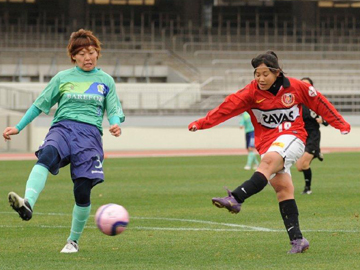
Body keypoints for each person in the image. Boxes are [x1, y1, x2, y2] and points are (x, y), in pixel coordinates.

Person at [188, 51, 350, 254]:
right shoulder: (250, 93)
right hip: (267, 143)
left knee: (267, 162)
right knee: (283, 189)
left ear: (277, 72)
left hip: (294, 137)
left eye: (265, 74)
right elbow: (225, 109)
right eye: (257, 74)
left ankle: (236, 198)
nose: (260, 78)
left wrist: (341, 124)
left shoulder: (296, 87)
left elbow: (320, 103)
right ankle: (298, 240)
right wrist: (201, 123)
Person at [2, 29, 125, 253]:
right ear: (73, 57)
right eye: (82, 53)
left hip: (90, 136)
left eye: (91, 52)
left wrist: (115, 124)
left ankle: (73, 241)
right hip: (63, 128)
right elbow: (39, 104)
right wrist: (18, 127)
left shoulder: (106, 80)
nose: (88, 57)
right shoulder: (62, 78)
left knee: (82, 190)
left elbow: (113, 108)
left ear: (98, 53)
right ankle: (27, 204)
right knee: (47, 153)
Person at [296, 77, 328, 195]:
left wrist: (322, 120)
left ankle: (307, 188)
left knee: (304, 164)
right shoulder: (296, 102)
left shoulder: (316, 102)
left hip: (313, 136)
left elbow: (327, 119)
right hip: (301, 136)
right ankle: (316, 153)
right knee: (299, 167)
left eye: (307, 85)